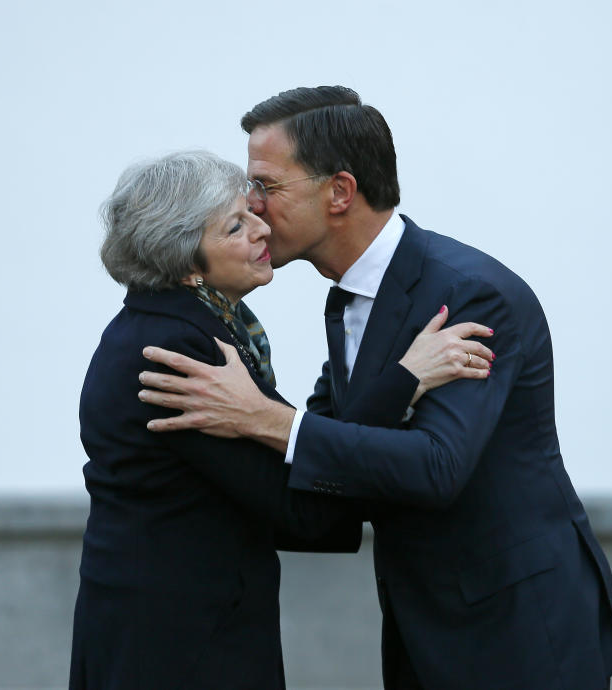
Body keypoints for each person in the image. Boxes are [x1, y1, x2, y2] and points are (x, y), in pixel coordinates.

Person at [138, 86, 612, 689]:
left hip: (515, 635)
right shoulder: (347, 297)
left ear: (340, 192)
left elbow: (437, 466)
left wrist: (262, 419)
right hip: (422, 632)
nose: (252, 206)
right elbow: (340, 448)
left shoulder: (470, 295)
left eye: (266, 186)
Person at [71, 150, 493, 689]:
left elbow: (279, 439)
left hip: (173, 630)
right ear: (186, 263)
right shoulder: (176, 350)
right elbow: (304, 511)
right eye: (235, 226)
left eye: (252, 212)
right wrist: (403, 379)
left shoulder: (190, 325)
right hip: (178, 647)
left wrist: (360, 369)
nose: (261, 228)